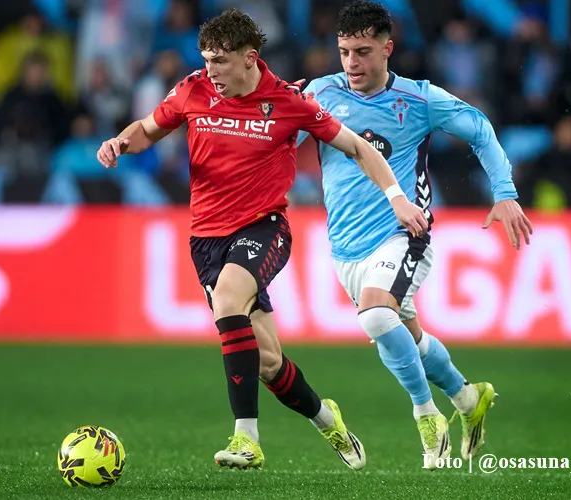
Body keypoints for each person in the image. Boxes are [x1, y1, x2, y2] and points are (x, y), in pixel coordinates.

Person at [95, 8, 428, 471]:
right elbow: (149, 128)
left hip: (264, 227)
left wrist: (396, 198)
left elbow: (357, 146)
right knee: (268, 363)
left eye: (221, 62)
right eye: (207, 60)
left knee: (230, 299)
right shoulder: (194, 89)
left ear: (250, 59)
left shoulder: (291, 102)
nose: (211, 72)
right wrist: (119, 142)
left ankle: (246, 438)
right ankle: (325, 416)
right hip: (206, 239)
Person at [250, 0, 533, 468]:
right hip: (345, 247)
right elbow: (279, 141)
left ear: (388, 48)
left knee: (376, 315)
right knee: (404, 332)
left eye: (362, 51)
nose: (352, 63)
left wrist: (503, 192)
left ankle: (427, 415)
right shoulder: (321, 93)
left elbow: (480, 128)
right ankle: (466, 398)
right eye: (344, 52)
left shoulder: (419, 99)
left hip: (405, 233)